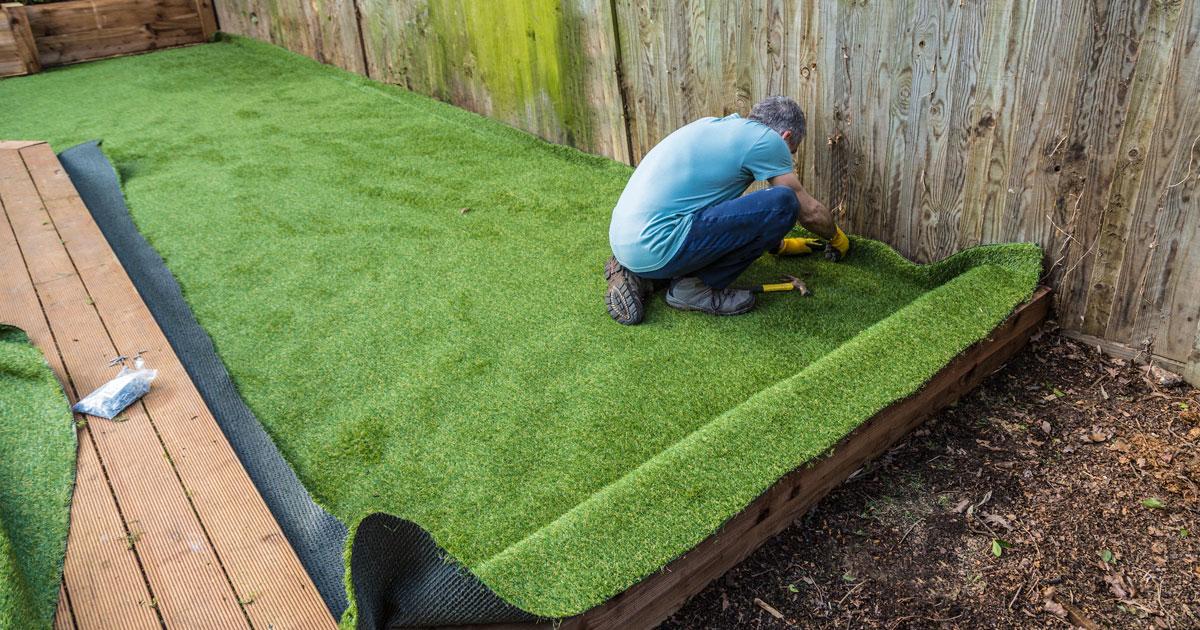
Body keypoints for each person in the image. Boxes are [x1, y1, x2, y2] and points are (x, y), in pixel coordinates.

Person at [605, 96, 849, 325]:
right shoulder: (769, 141)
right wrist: (836, 238)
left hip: (624, 237)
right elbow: (808, 213)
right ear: (785, 137)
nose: (788, 158)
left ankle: (639, 275)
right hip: (657, 241)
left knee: (761, 205)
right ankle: (693, 287)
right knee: (785, 202)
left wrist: (781, 245)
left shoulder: (714, 126)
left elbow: (716, 211)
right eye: (792, 151)